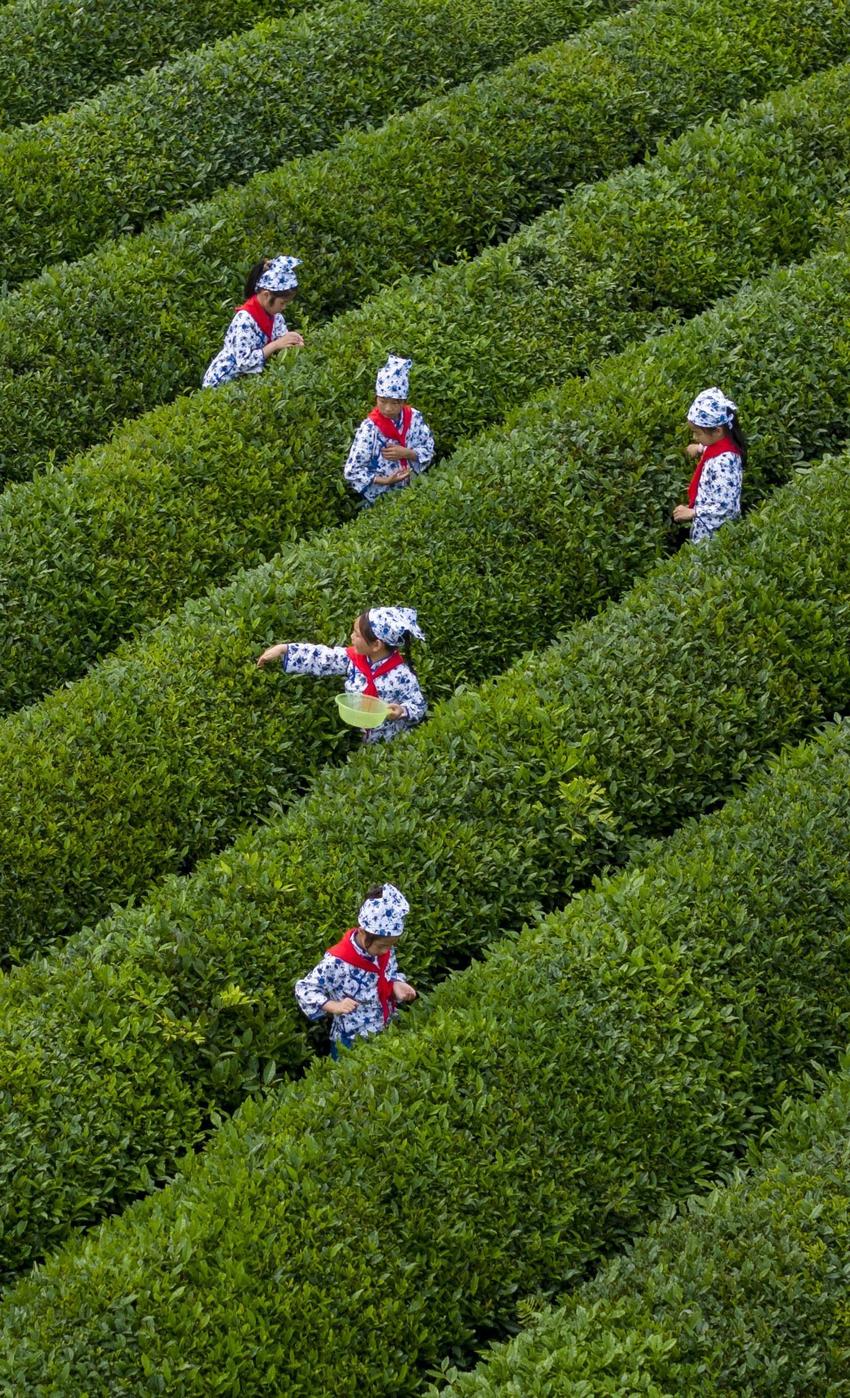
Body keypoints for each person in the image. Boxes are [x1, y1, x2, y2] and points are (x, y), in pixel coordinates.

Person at [256, 605, 427, 743]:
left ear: (376, 645)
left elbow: (418, 706)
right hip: (353, 735)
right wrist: (283, 649)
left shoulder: (402, 676)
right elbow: (321, 657)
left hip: (387, 742)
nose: (351, 637)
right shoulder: (353, 659)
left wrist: (402, 711)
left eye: (357, 634)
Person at [294, 883, 417, 1057]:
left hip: (384, 1029)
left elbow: (389, 973)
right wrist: (335, 1006)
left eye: (391, 946)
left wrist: (397, 984)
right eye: (382, 946)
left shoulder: (384, 949)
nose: (386, 951)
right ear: (363, 933)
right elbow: (305, 989)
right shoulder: (338, 961)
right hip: (350, 1039)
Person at [202, 255, 305, 388]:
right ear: (266, 295)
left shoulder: (276, 316)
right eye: (283, 302)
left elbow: (281, 339)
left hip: (245, 383)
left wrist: (293, 340)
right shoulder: (244, 319)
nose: (284, 307)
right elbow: (244, 362)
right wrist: (275, 345)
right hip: (221, 383)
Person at [343, 355, 435, 504]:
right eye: (383, 401)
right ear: (376, 398)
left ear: (404, 401)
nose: (388, 408)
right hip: (381, 500)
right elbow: (352, 470)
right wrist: (385, 480)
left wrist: (408, 453)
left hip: (414, 490)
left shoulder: (414, 418)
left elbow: (428, 446)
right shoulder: (369, 429)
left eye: (395, 403)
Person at [672, 387, 746, 544]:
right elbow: (711, 448)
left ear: (717, 431)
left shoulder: (724, 462)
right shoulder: (722, 445)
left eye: (697, 433)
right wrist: (698, 448)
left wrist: (693, 512)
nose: (694, 437)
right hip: (706, 526)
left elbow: (726, 508)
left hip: (714, 535)